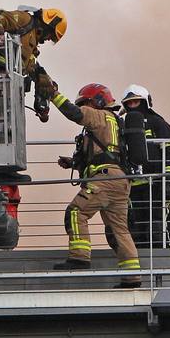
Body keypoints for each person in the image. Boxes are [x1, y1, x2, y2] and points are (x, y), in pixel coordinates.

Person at [46, 80, 141, 287]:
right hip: (120, 181)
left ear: (97, 101)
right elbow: (107, 152)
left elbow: (74, 113)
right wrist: (73, 162)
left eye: (85, 103)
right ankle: (132, 276)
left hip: (104, 180)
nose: (83, 107)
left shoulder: (99, 116)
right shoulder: (114, 122)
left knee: (75, 212)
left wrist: (53, 94)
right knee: (120, 230)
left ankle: (79, 257)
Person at [0, 7, 67, 121]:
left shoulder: (31, 44)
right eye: (51, 35)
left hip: (3, 81)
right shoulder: (25, 19)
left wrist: (46, 90)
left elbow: (34, 67)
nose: (49, 39)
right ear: (48, 25)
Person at [120, 85, 170, 248]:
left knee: (156, 221)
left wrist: (167, 178)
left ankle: (158, 253)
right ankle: (137, 253)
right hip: (132, 184)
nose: (133, 105)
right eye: (129, 103)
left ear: (146, 102)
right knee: (133, 222)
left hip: (155, 183)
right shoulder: (123, 124)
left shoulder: (157, 122)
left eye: (136, 102)